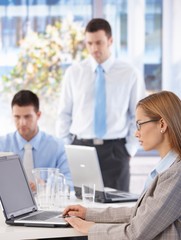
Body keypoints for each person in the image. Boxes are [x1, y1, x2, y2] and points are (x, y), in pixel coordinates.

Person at [63, 91, 181, 239]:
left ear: (162, 124)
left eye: (140, 125)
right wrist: (88, 213)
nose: (136, 134)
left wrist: (91, 229)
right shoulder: (168, 168)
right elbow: (139, 213)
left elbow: (135, 233)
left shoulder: (176, 174)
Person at [56, 18, 145, 191]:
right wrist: (67, 147)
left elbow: (138, 116)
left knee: (117, 208)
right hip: (81, 148)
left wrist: (129, 149)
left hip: (116, 151)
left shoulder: (130, 73)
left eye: (99, 43)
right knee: (81, 208)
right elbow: (64, 114)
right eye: (89, 43)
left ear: (110, 41)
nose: (94, 48)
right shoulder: (74, 73)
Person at [0, 90, 73, 191]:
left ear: (38, 115)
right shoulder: (2, 144)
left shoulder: (57, 146)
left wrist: (46, 185)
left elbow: (70, 182)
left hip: (46, 204)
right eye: (17, 117)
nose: (22, 123)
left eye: (27, 116)